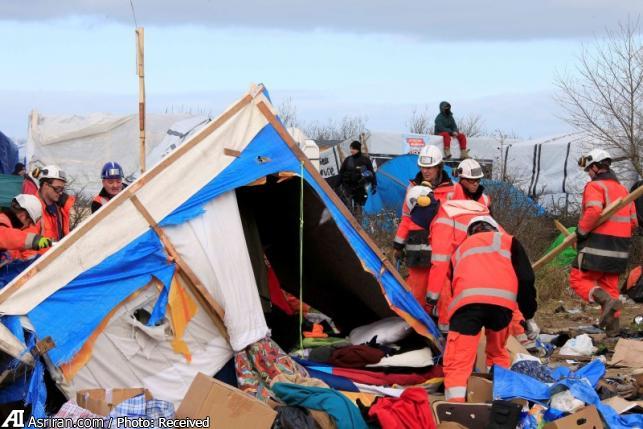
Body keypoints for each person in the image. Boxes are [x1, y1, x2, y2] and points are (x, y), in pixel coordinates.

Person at [442, 216, 537, 402]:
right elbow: (526, 279)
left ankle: (454, 409)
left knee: (458, 361)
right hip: (501, 307)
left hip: (466, 306)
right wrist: (529, 315)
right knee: (498, 353)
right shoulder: (509, 241)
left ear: (469, 233)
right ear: (495, 228)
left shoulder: (458, 251)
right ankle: (501, 402)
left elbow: (451, 287)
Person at [570, 149, 637, 335]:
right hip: (620, 249)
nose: (588, 174)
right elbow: (633, 222)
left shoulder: (595, 187)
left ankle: (605, 301)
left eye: (589, 170)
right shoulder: (623, 190)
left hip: (597, 245)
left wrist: (581, 233)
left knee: (578, 279)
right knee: (610, 286)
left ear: (595, 167)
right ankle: (613, 331)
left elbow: (593, 211)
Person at [425, 200, 489, 331]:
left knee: (444, 282)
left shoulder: (441, 223)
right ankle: (524, 336)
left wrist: (431, 299)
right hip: (492, 258)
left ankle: (446, 329)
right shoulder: (455, 211)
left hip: (475, 263)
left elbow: (440, 264)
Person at [393, 185, 439, 306]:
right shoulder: (415, 191)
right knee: (420, 285)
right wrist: (398, 246)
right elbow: (406, 220)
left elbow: (406, 221)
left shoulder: (413, 191)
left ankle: (419, 312)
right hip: (419, 247)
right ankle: (419, 313)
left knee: (422, 284)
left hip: (424, 247)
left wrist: (398, 246)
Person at [0, 194, 52, 259]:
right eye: (29, 222)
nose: (28, 226)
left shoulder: (9, 224)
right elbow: (6, 236)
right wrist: (33, 240)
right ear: (23, 215)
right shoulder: (3, 221)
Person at [37, 165, 75, 243]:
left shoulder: (61, 208)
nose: (61, 193)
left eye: (62, 189)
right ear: (45, 185)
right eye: (57, 188)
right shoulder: (32, 209)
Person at [339, 141, 376, 217]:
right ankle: (350, 222)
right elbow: (341, 173)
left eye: (353, 149)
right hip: (348, 188)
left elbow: (372, 173)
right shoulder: (348, 160)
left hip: (360, 188)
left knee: (359, 208)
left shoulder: (365, 160)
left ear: (358, 149)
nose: (351, 150)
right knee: (348, 208)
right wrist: (338, 185)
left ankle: (358, 223)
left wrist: (374, 184)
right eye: (351, 148)